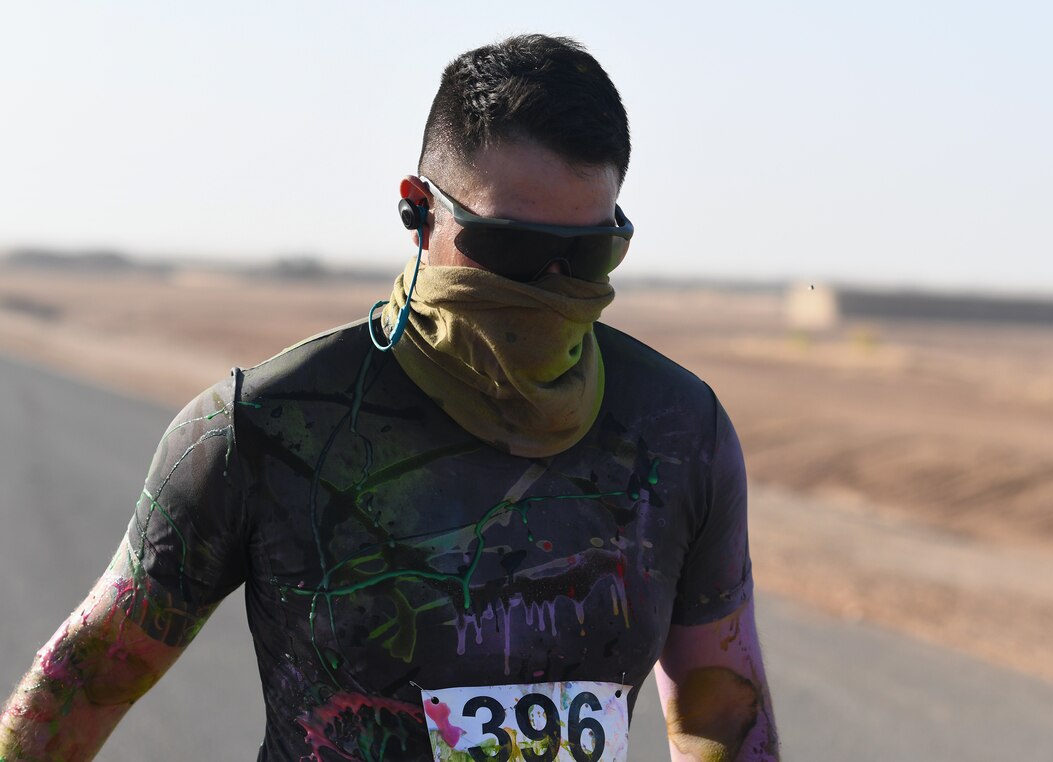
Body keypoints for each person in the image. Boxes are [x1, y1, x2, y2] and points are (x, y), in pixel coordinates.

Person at [0, 34, 778, 761]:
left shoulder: (676, 430)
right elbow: (87, 674)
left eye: (587, 253)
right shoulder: (269, 428)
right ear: (417, 208)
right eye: (510, 248)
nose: (549, 287)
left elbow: (720, 704)